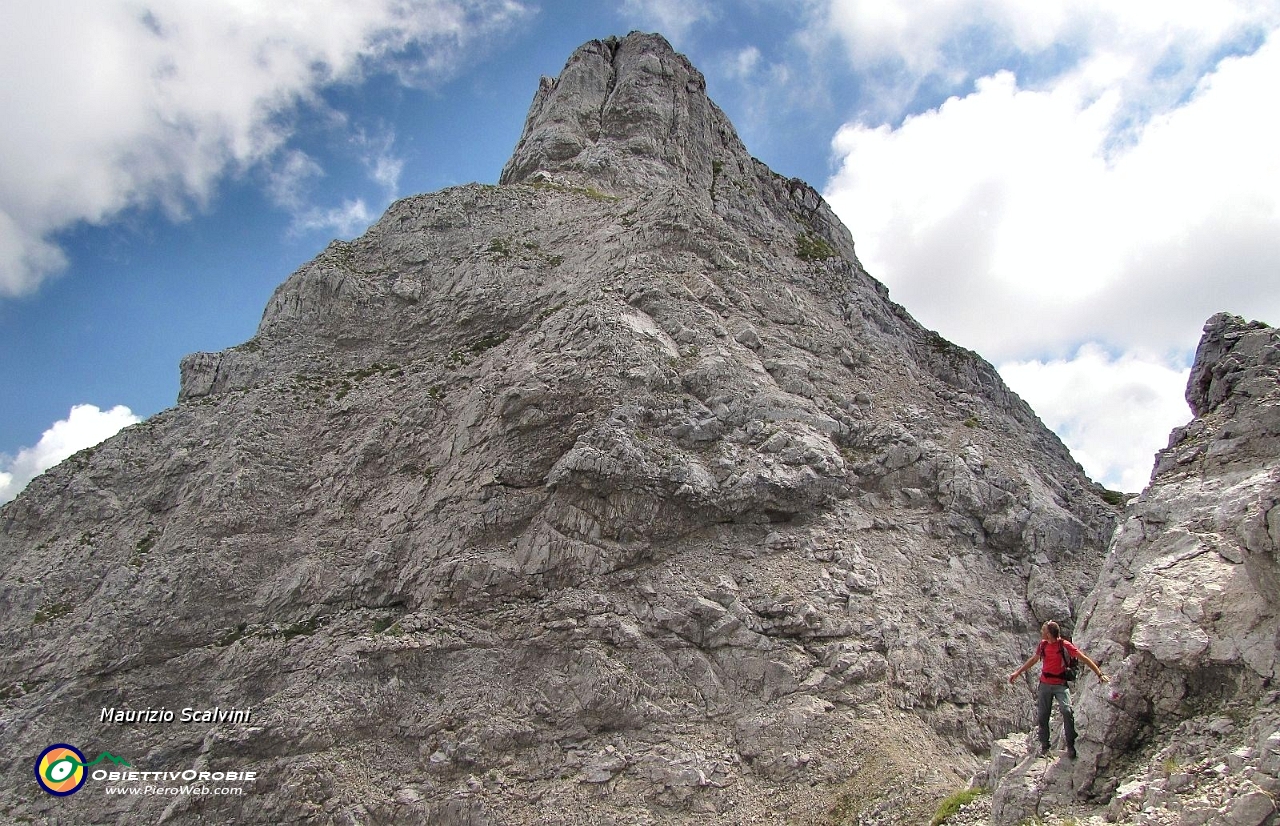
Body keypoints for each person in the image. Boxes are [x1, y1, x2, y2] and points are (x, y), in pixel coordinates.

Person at [1008, 620, 1110, 759]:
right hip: (1044, 684)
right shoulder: (1043, 645)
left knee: (1067, 711)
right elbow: (1034, 660)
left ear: (1049, 634)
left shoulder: (1064, 645)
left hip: (1060, 685)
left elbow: (1083, 658)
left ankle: (1071, 745)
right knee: (1043, 716)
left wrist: (1099, 674)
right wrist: (1018, 672)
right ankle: (1045, 746)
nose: (1041, 632)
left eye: (1043, 630)